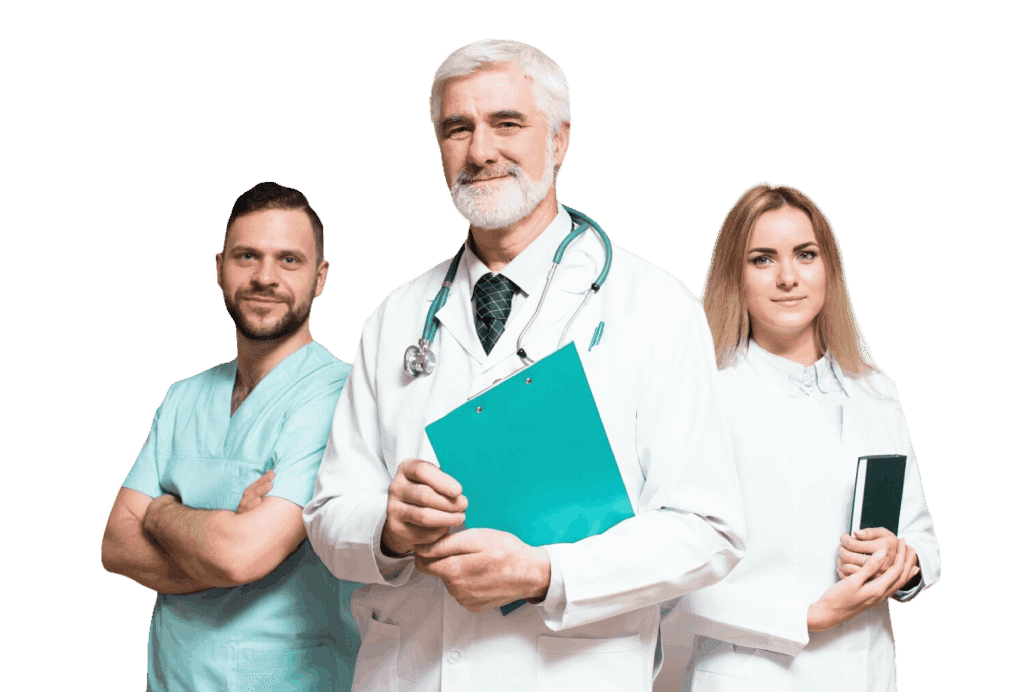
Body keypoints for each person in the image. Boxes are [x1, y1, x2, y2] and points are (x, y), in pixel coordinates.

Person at [303, 39, 745, 691]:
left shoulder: (656, 309)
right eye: (458, 128)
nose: (481, 151)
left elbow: (709, 531)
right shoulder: (396, 316)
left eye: (506, 123)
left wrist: (546, 573)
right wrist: (389, 528)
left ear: (560, 140)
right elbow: (328, 515)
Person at [665, 181, 940, 691]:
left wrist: (906, 562)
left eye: (805, 255)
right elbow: (671, 575)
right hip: (754, 675)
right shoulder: (705, 397)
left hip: (867, 672)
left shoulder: (876, 392)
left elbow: (921, 533)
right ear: (735, 276)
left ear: (829, 269)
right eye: (763, 259)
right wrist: (805, 616)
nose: (789, 277)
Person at [100, 181, 360, 691]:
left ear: (320, 278)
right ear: (219, 266)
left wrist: (159, 512)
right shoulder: (182, 396)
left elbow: (242, 555)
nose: (266, 277)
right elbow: (115, 543)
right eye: (247, 256)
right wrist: (220, 542)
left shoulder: (339, 397)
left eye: (289, 260)